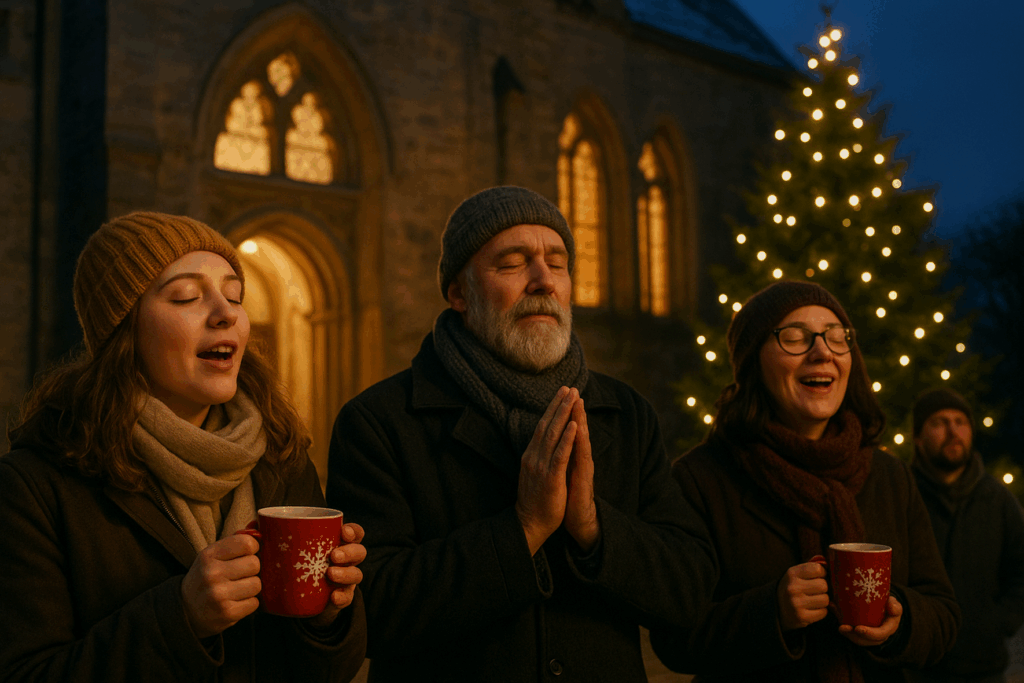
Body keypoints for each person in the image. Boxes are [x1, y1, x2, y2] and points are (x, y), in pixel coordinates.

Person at [326, 186, 716, 682]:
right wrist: (523, 528)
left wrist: (595, 528)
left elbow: (689, 589)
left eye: (557, 263)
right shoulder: (380, 422)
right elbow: (370, 614)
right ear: (459, 292)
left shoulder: (623, 413)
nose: (543, 281)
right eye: (512, 263)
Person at [0, 212, 366, 682]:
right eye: (186, 296)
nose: (226, 312)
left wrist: (328, 616)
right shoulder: (35, 487)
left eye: (235, 295)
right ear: (123, 332)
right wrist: (181, 619)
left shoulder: (280, 460)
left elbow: (322, 672)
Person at [650, 280, 960, 682]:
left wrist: (899, 618)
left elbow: (944, 615)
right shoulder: (701, 480)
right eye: (794, 338)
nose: (822, 352)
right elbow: (674, 639)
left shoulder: (890, 476)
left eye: (837, 338)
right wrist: (771, 612)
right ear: (752, 363)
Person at [909, 388, 1024, 683]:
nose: (952, 430)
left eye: (960, 421)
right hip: (915, 668)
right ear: (918, 439)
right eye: (938, 422)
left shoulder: (998, 500)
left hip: (983, 667)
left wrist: (997, 624)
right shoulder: (903, 497)